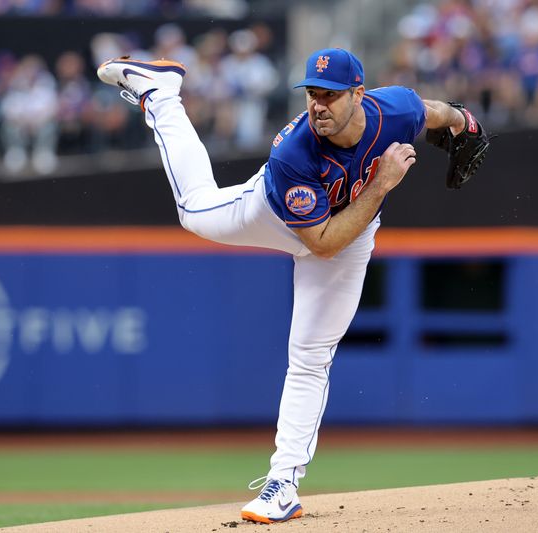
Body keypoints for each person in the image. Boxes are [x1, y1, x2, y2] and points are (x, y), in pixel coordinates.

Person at [97, 47, 485, 524]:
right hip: (279, 217)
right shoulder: (293, 153)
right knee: (194, 211)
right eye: (311, 94)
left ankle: (282, 485)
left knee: (310, 358)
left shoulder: (397, 109)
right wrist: (382, 185)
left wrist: (465, 122)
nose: (318, 105)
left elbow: (435, 111)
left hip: (353, 234)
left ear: (358, 95)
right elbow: (321, 243)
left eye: (330, 95)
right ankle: (161, 93)